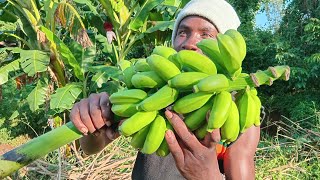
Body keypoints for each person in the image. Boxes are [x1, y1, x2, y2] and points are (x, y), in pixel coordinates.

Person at [70, 0, 260, 179]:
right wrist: (91, 125)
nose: (190, 43)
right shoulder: (152, 87)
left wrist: (206, 175)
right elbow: (91, 148)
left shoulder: (237, 108)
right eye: (183, 32)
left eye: (206, 35)